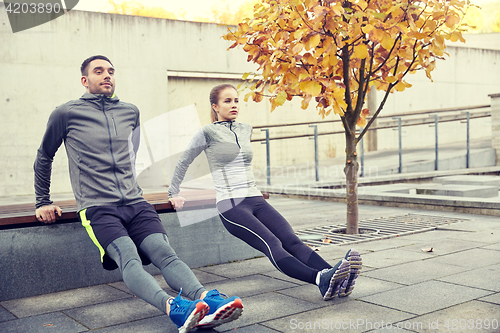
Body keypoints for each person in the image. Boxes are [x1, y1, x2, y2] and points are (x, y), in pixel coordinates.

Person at [34, 56, 243, 332]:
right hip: (98, 207)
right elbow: (44, 156)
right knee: (129, 257)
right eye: (99, 71)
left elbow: (130, 156)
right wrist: (42, 200)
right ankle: (175, 308)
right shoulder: (66, 114)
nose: (107, 75)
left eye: (110, 71)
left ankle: (206, 300)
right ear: (85, 80)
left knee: (165, 253)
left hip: (135, 201)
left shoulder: (130, 111)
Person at [168, 84, 362, 301]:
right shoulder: (207, 133)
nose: (234, 105)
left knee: (291, 240)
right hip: (231, 205)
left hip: (255, 199)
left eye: (236, 100)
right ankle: (320, 279)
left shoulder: (245, 129)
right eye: (227, 101)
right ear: (215, 106)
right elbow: (183, 161)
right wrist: (173, 192)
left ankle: (337, 277)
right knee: (273, 244)